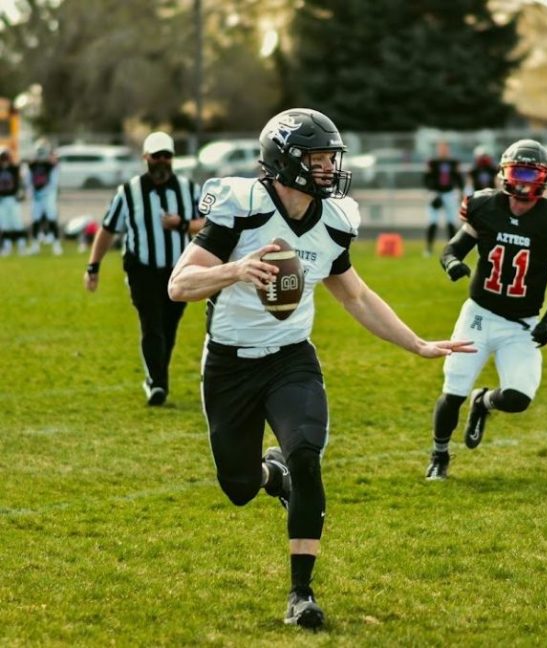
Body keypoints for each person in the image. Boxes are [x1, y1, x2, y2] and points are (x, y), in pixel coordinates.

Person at [167, 108, 474, 630]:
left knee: (307, 455)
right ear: (284, 161)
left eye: (331, 158)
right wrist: (235, 269)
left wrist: (417, 343)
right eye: (317, 158)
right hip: (230, 364)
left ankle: (301, 593)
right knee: (239, 486)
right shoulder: (242, 208)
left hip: (291, 358)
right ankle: (272, 474)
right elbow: (179, 285)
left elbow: (356, 296)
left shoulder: (333, 221)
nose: (329, 168)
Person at [426, 139, 547, 480]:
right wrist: (452, 264)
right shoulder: (484, 206)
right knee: (453, 391)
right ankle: (439, 455)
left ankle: (483, 402)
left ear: (545, 178)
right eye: (518, 172)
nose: (523, 181)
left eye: (531, 173)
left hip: (521, 324)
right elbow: (452, 249)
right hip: (479, 316)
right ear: (504, 173)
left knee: (518, 398)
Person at [84, 131, 203, 406]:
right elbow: (108, 230)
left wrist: (182, 224)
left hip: (178, 269)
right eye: (156, 155)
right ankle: (158, 384)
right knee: (152, 325)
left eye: (166, 155)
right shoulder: (128, 192)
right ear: (145, 157)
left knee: (168, 328)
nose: (162, 161)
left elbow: (207, 223)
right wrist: (93, 266)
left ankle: (155, 377)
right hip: (142, 268)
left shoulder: (188, 189)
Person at [423, 140, 464, 256]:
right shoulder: (432, 162)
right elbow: (427, 178)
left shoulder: (453, 163)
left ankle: (452, 249)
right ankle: (428, 248)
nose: (443, 150)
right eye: (441, 148)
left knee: (451, 222)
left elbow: (458, 178)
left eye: (445, 148)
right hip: (436, 193)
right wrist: (431, 192)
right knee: (432, 221)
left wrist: (460, 191)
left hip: (449, 193)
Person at [25, 138, 62, 255]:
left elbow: (54, 181)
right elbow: (28, 180)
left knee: (52, 218)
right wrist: (32, 192)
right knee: (35, 219)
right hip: (37, 195)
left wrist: (45, 192)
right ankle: (35, 245)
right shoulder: (32, 165)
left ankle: (56, 245)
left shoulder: (51, 164)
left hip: (48, 195)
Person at [0, 147, 29, 257]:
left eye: (6, 157)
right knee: (5, 225)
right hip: (2, 199)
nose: (4, 160)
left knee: (17, 223)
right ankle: (7, 247)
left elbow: (21, 174)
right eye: (3, 158)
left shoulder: (14, 168)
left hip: (13, 199)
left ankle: (22, 247)